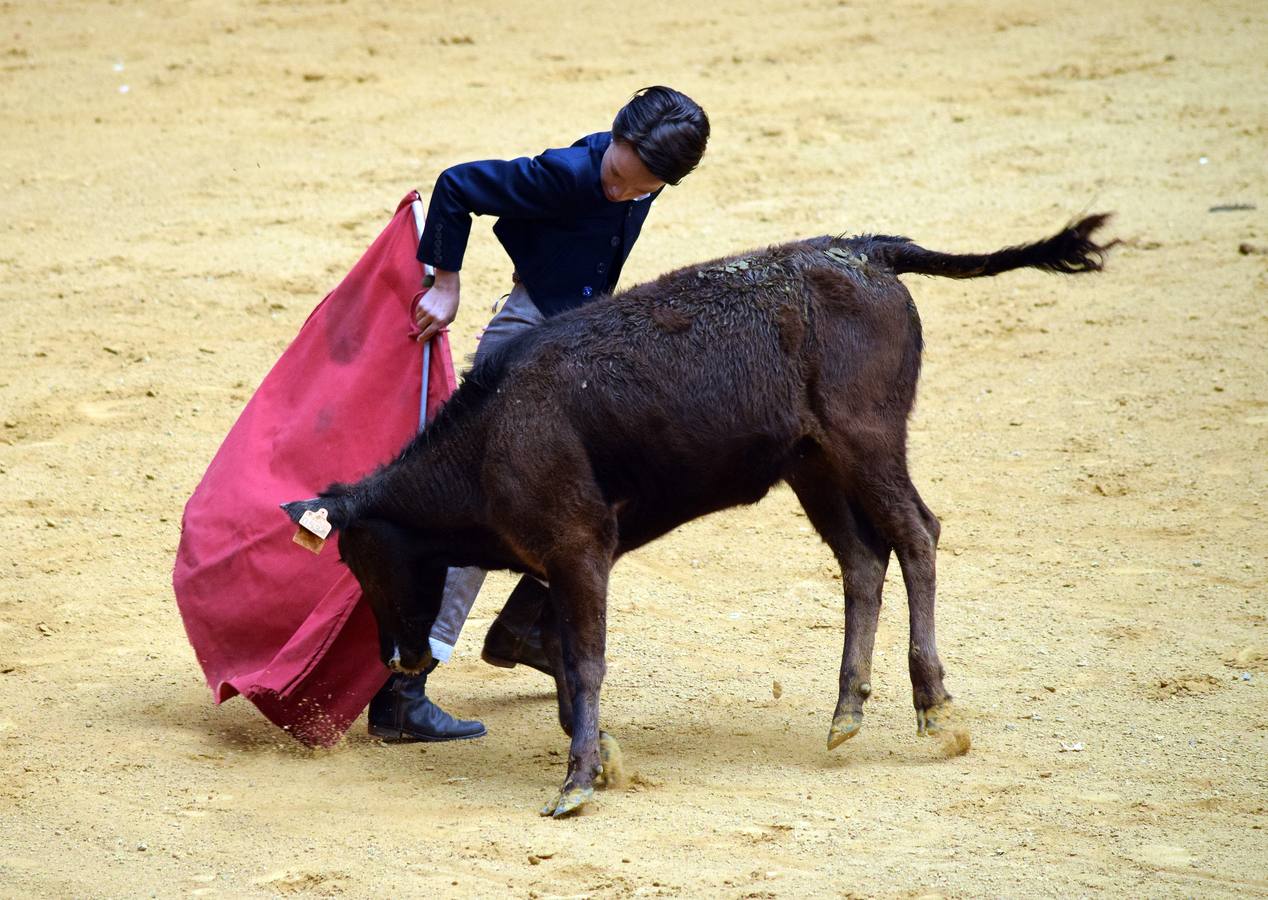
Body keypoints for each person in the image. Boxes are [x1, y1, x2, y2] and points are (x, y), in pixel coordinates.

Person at [366, 86, 710, 742]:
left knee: (617, 497)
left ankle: (527, 626)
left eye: (637, 191)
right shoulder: (567, 174)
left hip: (577, 351)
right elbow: (458, 185)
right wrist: (446, 282)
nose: (619, 193)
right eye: (615, 177)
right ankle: (404, 692)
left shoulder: (646, 174)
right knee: (485, 514)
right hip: (524, 345)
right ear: (613, 142)